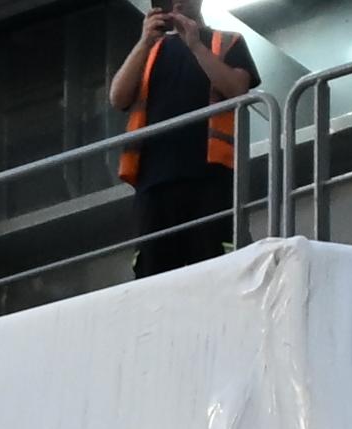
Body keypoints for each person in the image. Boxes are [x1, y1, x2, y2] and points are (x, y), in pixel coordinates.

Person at [104, 2, 261, 277]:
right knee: (154, 274)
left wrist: (196, 45)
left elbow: (237, 89)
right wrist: (144, 40)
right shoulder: (149, 51)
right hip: (154, 182)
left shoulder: (226, 41)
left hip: (210, 176)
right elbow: (118, 97)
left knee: (217, 266)